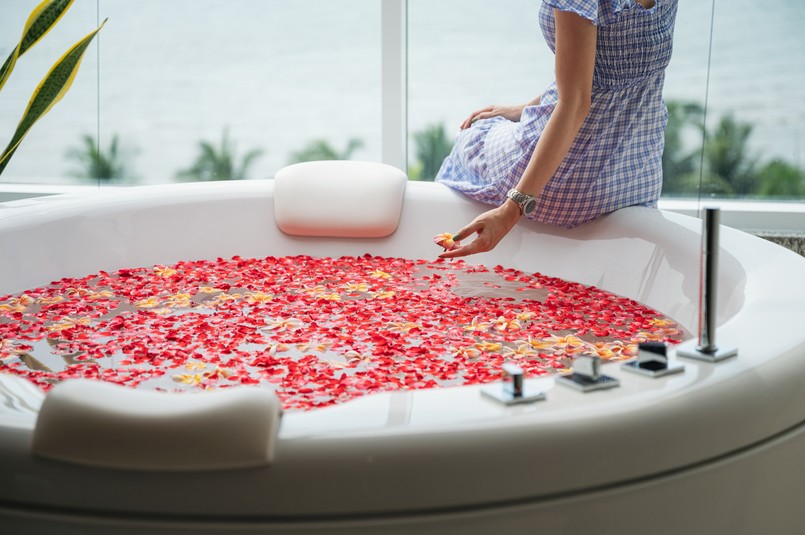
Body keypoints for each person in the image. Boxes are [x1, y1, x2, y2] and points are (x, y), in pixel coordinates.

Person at [436, 0, 678, 258]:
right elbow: (617, 71)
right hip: (636, 180)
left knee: (473, 134)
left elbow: (575, 103)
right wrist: (523, 109)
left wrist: (511, 210)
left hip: (567, 185)